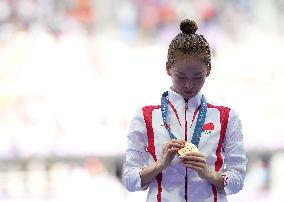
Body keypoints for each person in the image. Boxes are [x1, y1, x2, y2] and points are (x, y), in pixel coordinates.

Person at [123, 19, 247, 202]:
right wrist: (159, 165)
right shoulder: (145, 116)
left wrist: (208, 174)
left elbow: (238, 179)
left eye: (197, 77)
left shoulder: (226, 117)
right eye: (181, 77)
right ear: (168, 69)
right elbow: (129, 180)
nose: (189, 85)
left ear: (208, 71)